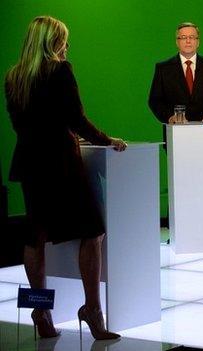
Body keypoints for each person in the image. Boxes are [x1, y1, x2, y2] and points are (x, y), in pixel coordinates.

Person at [4, 16, 126, 339]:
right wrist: (106, 139)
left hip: (30, 165)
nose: (66, 47)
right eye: (63, 40)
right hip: (61, 164)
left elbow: (20, 125)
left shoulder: (13, 77)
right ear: (52, 42)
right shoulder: (61, 70)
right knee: (94, 232)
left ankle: (41, 311)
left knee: (35, 237)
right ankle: (92, 310)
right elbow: (77, 119)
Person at [148, 22, 203, 125]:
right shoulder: (163, 68)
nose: (188, 41)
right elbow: (155, 100)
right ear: (177, 42)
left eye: (192, 37)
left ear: (198, 42)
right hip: (175, 130)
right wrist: (170, 118)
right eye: (183, 37)